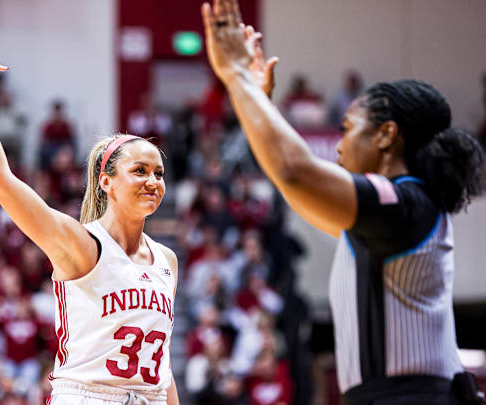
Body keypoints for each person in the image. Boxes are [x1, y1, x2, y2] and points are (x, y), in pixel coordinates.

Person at [200, 0, 485, 404]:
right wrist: (257, 105)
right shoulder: (395, 213)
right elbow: (297, 188)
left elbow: (296, 172)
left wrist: (236, 79)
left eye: (347, 129)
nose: (338, 146)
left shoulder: (405, 201)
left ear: (386, 135)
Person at [0, 24, 180, 405]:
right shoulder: (81, 243)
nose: (153, 181)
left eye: (158, 173)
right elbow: (0, 180)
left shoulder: (167, 261)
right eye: (140, 171)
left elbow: (163, 368)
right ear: (106, 182)